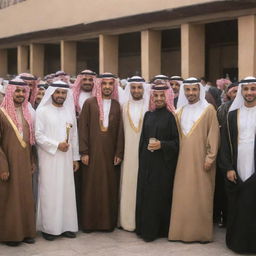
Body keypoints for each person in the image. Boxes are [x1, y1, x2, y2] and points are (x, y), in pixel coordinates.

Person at [169, 77, 219, 243]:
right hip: (182, 163)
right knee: (183, 197)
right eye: (188, 90)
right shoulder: (180, 111)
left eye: (194, 90)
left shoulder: (209, 110)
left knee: (201, 196)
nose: (191, 93)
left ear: (200, 91)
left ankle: (200, 234)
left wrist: (210, 158)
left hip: (202, 162)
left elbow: (214, 135)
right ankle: (179, 233)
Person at [78, 72, 124, 232]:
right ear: (99, 85)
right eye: (104, 84)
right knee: (90, 187)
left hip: (110, 155)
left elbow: (120, 132)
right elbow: (82, 128)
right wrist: (84, 151)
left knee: (108, 187)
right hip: (91, 154)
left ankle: (106, 224)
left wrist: (119, 152)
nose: (107, 87)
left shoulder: (117, 105)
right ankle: (89, 224)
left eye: (110, 84)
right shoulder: (89, 103)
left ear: (113, 86)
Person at [36, 80, 80, 241]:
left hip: (66, 158)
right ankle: (49, 228)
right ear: (52, 93)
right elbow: (38, 136)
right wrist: (56, 145)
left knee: (66, 192)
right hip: (49, 157)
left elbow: (74, 136)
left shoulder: (69, 112)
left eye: (63, 93)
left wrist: (75, 158)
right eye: (58, 92)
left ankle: (67, 226)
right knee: (50, 192)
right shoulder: (42, 111)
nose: (61, 95)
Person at [136, 82, 179, 242]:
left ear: (167, 97)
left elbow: (176, 143)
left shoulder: (171, 117)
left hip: (162, 166)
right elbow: (142, 141)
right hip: (147, 164)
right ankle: (144, 229)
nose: (159, 99)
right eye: (156, 96)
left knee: (158, 197)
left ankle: (157, 231)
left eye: (162, 96)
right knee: (146, 196)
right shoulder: (148, 115)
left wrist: (162, 145)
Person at [220, 76, 256, 254]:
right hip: (237, 167)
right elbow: (225, 144)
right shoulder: (232, 115)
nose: (250, 92)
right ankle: (238, 243)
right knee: (238, 205)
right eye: (246, 89)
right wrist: (228, 167)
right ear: (241, 91)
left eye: (253, 89)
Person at [0, 78, 36, 246]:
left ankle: (27, 232)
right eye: (17, 91)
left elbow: (30, 141)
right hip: (8, 164)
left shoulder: (28, 113)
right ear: (10, 92)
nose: (21, 94)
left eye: (23, 91)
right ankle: (11, 235)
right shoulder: (1, 113)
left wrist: (31, 160)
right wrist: (3, 166)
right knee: (10, 199)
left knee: (25, 198)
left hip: (24, 163)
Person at [119, 76, 149, 232]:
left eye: (139, 87)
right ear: (129, 89)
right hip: (128, 153)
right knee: (128, 184)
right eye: (133, 87)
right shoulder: (124, 106)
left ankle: (142, 221)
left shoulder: (150, 106)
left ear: (144, 89)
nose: (136, 90)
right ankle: (126, 221)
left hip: (146, 154)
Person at [214, 82, 238, 227]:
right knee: (224, 189)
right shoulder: (223, 108)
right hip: (225, 153)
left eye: (237, 91)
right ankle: (225, 218)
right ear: (228, 93)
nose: (235, 94)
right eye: (233, 92)